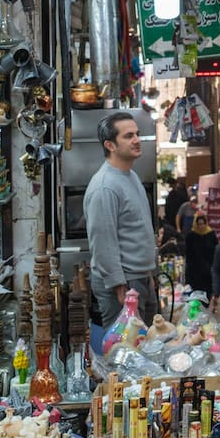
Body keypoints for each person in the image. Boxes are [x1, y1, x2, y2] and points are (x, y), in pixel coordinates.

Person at [84, 111, 159, 329]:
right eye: (128, 136)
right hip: (124, 284)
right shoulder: (105, 186)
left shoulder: (131, 176)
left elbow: (140, 230)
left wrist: (149, 273)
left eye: (137, 134)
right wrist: (118, 284)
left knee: (145, 349)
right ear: (110, 145)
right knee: (124, 354)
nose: (136, 140)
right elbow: (103, 242)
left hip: (141, 279)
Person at [185, 213, 218, 299]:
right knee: (197, 296)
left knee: (207, 295)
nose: (201, 226)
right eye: (199, 224)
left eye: (203, 224)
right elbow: (188, 255)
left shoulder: (210, 234)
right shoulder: (190, 236)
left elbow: (215, 251)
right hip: (195, 272)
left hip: (208, 272)